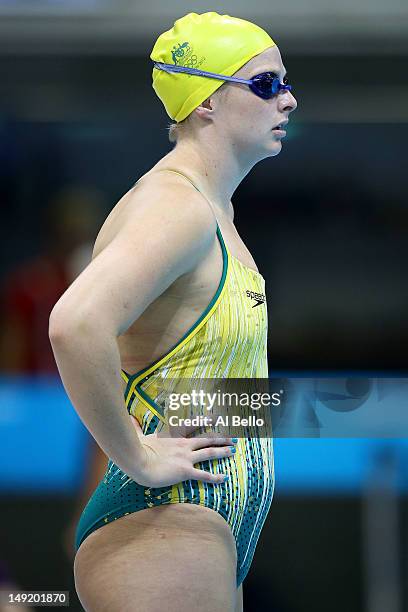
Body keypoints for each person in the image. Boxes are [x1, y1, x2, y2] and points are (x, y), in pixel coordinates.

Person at [49, 11, 297, 612]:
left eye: (287, 82)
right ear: (206, 100)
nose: (288, 100)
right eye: (266, 84)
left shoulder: (214, 214)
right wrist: (138, 453)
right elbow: (74, 325)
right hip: (163, 520)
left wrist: (349, 406)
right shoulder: (175, 206)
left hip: (206, 520)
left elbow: (199, 376)